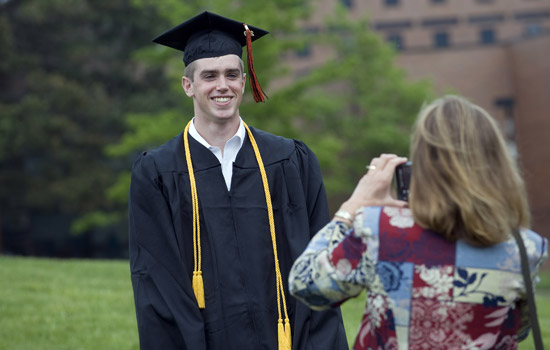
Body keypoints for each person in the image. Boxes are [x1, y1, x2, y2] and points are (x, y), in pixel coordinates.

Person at [128, 11, 347, 350]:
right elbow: (157, 282)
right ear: (188, 85)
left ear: (244, 81)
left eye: (232, 74)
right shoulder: (157, 173)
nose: (223, 85)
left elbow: (318, 263)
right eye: (209, 76)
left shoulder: (289, 161)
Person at [288, 95, 548, 350]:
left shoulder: (379, 229)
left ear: (422, 164)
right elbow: (517, 328)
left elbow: (306, 283)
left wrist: (353, 205)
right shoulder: (526, 247)